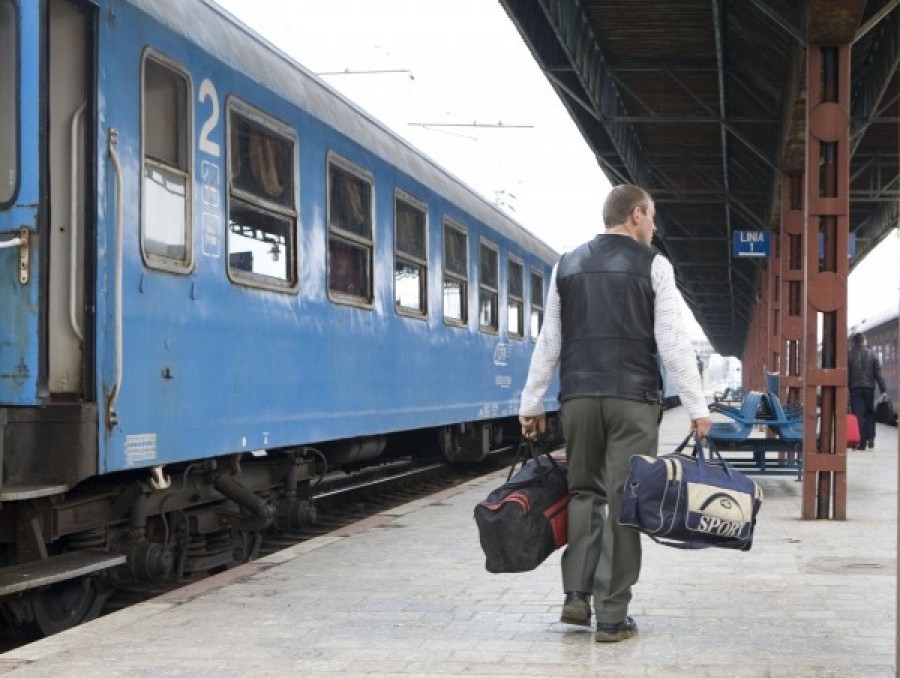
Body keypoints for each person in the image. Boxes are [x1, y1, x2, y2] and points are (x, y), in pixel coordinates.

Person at [518, 184, 711, 643]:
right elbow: (673, 344)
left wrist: (530, 403)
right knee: (627, 501)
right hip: (632, 400)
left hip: (579, 400)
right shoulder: (655, 266)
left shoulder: (566, 265)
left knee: (584, 492)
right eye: (653, 218)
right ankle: (611, 615)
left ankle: (577, 595)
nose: (656, 227)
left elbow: (550, 341)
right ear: (637, 215)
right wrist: (697, 408)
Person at [848, 332, 886, 450]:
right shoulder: (873, 355)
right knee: (870, 413)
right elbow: (878, 374)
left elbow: (847, 374)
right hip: (869, 389)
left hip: (855, 389)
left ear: (854, 342)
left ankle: (862, 441)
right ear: (863, 341)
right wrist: (883, 389)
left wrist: (847, 387)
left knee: (859, 415)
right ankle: (871, 438)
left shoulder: (850, 355)